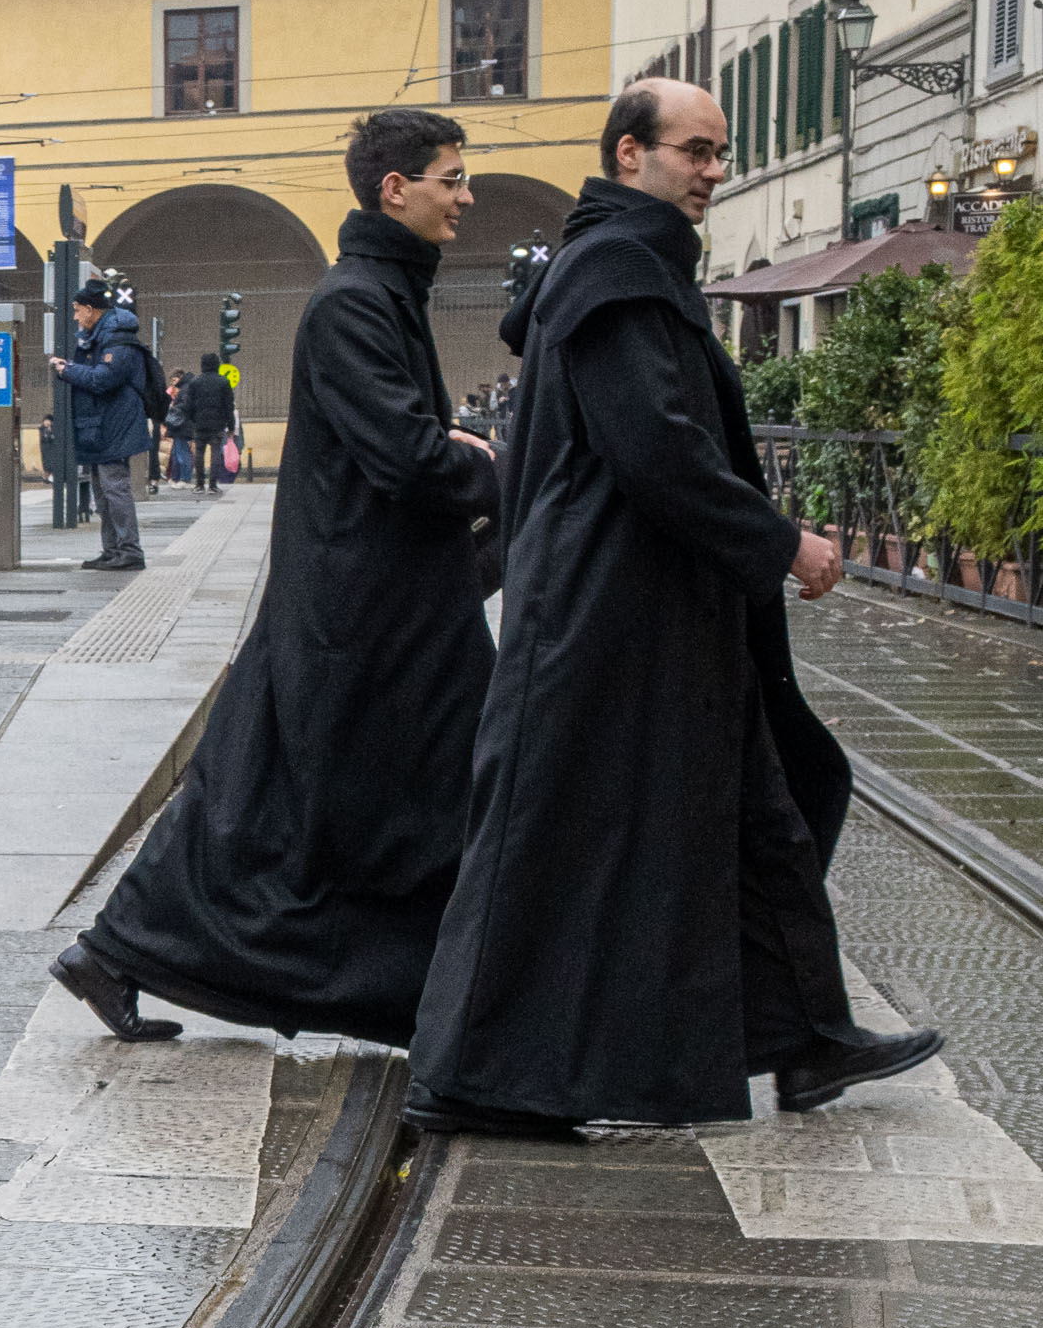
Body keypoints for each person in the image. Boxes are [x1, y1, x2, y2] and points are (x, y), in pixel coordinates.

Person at [409, 81, 942, 1136]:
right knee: (561, 836)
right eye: (693, 151)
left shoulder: (629, 266)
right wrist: (781, 540)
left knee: (763, 808)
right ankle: (476, 1073)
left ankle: (803, 1034)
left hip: (661, 608)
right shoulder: (615, 270)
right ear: (627, 155)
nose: (711, 169)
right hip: (615, 614)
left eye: (719, 152)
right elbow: (657, 447)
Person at [58, 110, 501, 1050]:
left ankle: (123, 948)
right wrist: (490, 465)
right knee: (317, 797)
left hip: (378, 596)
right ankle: (443, 996)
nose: (465, 196)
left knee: (265, 788)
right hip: (368, 605)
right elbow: (403, 455)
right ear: (395, 188)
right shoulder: (355, 301)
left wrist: (455, 450)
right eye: (451, 179)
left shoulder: (380, 291)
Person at [50, 278, 148, 570]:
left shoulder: (117, 338)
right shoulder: (100, 336)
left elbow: (103, 379)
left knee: (115, 489)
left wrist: (68, 370)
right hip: (101, 425)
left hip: (114, 426)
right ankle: (113, 549)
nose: (76, 317)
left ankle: (130, 551)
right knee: (102, 490)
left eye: (78, 310)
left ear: (91, 310)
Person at [183, 352, 236, 491]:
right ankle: (213, 485)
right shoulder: (223, 382)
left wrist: (193, 421)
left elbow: (188, 406)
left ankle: (199, 484)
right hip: (218, 423)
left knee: (199, 453)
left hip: (199, 423)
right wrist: (231, 426)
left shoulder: (195, 382)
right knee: (216, 452)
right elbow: (229, 406)